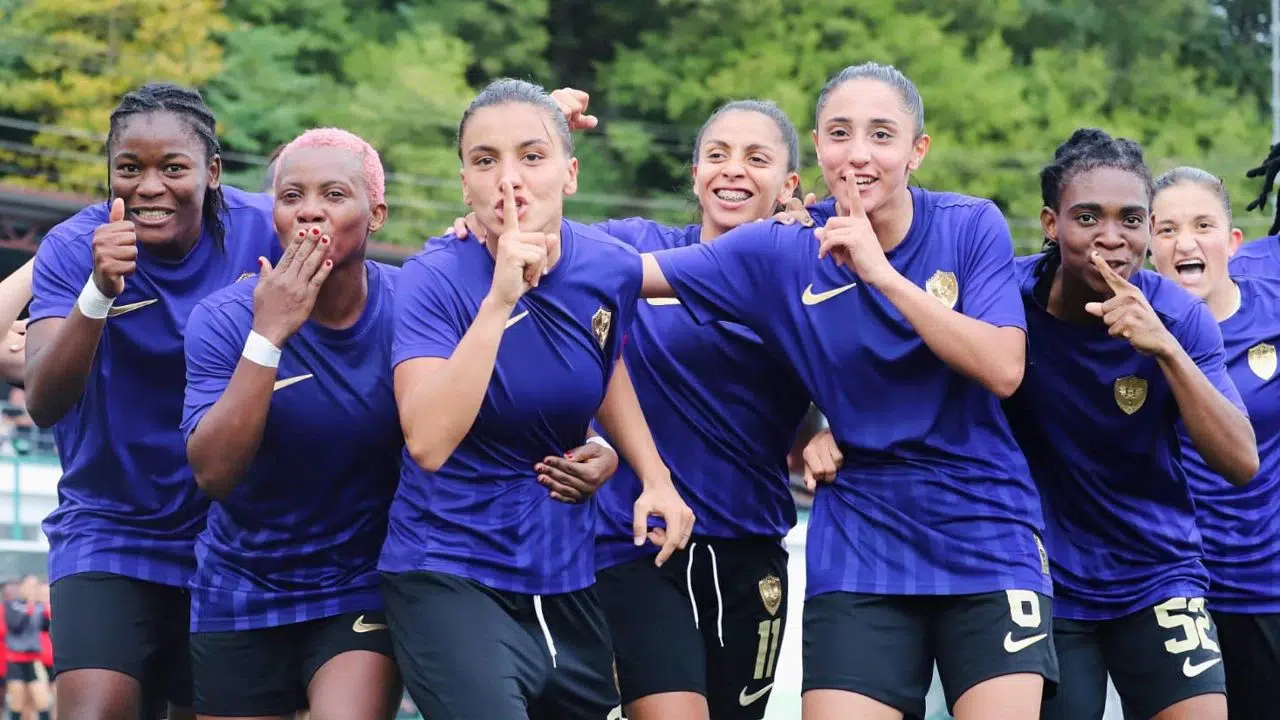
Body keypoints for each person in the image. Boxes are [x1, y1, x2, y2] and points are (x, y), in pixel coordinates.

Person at [636, 62, 1055, 720]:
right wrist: (500, 228)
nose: (859, 153)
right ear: (818, 147)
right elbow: (621, 273)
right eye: (839, 134)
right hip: (861, 534)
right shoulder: (782, 246)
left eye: (881, 135)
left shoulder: (970, 223)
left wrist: (879, 272)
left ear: (917, 150)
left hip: (984, 528)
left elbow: (1004, 368)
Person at [454, 92, 813, 720]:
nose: (733, 169)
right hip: (635, 542)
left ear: (789, 186)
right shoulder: (631, 243)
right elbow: (533, 239)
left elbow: (864, 364)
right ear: (695, 174)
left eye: (757, 159)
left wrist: (834, 437)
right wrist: (516, 168)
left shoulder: (803, 269)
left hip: (751, 544)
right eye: (717, 155)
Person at [380, 78, 694, 720]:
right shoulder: (431, 279)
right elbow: (428, 441)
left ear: (570, 174)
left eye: (532, 156)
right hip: (449, 572)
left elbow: (602, 362)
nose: (508, 180)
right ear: (464, 184)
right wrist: (500, 299)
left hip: (565, 577)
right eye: (485, 161)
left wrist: (652, 475)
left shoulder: (607, 265)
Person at [23, 82, 280, 719]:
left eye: (174, 168)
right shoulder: (74, 247)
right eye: (129, 168)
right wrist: (97, 292)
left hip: (233, 537)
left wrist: (468, 235)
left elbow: (361, 268)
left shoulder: (264, 230)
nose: (149, 187)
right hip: (110, 527)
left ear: (212, 172)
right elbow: (44, 401)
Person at [1001, 130, 1258, 720]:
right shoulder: (1007, 299)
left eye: (1132, 220)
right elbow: (928, 378)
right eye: (1088, 217)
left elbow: (1241, 461)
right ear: (1051, 223)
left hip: (1158, 572)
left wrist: (1165, 349)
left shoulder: (1178, 316)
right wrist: (835, 433)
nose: (1112, 237)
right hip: (1044, 578)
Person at [182, 128, 403, 719]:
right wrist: (269, 334)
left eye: (334, 194)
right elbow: (213, 474)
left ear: (376, 214)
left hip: (358, 584)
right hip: (240, 587)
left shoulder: (412, 306)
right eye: (291, 196)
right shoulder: (224, 319)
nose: (310, 210)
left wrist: (594, 443)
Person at [1147, 166, 1280, 720]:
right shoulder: (1124, 328)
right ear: (1147, 245)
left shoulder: (1272, 310)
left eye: (1203, 225)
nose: (1186, 243)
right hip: (1171, 591)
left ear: (1232, 242)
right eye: (1167, 229)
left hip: (1267, 585)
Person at [5, 576, 49, 720]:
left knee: (42, 701)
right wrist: (30, 606)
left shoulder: (40, 607)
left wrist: (45, 608)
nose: (32, 589)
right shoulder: (12, 605)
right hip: (15, 660)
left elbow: (46, 627)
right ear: (22, 587)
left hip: (34, 660)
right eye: (29, 585)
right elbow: (16, 625)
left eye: (35, 586)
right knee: (17, 704)